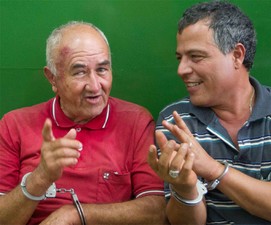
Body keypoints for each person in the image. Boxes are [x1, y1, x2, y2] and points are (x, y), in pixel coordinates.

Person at [147, 1, 271, 224]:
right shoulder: (175, 121)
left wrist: (212, 169)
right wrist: (185, 187)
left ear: (237, 55)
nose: (182, 70)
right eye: (180, 58)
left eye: (196, 57)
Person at [0, 21, 167, 225]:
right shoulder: (14, 124)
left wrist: (75, 215)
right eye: (79, 72)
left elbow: (157, 211)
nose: (95, 86)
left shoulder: (136, 121)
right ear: (52, 78)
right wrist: (40, 178)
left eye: (102, 69)